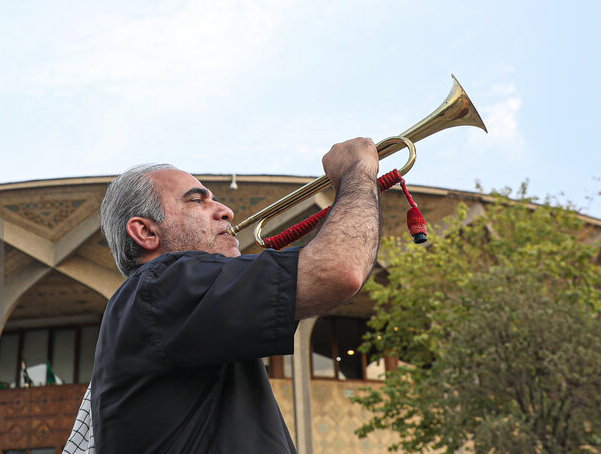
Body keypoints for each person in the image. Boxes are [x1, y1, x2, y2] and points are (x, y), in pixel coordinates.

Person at [63, 138, 383, 454]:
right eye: (197, 201)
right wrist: (358, 171)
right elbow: (341, 269)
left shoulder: (166, 303)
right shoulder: (163, 285)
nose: (226, 211)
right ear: (146, 232)